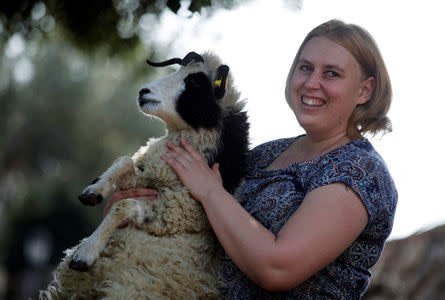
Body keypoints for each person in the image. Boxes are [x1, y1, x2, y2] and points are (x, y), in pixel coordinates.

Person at [104, 19, 397, 299]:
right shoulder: (265, 154)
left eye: (331, 73)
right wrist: (132, 209)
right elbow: (193, 223)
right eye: (305, 68)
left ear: (364, 90)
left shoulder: (360, 172)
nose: (311, 82)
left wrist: (210, 192)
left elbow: (277, 268)